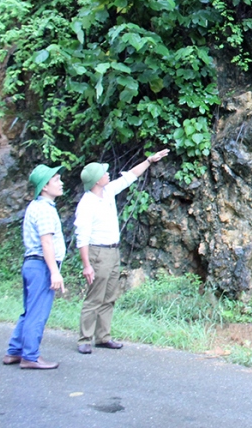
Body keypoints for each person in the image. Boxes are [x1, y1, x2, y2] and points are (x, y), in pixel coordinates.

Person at [74, 148, 169, 355]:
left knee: (109, 296)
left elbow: (130, 176)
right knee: (95, 297)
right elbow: (81, 237)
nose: (109, 174)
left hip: (113, 251)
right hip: (98, 252)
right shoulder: (87, 203)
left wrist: (149, 161)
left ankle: (103, 336)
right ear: (97, 180)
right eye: (104, 173)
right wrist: (86, 265)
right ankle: (84, 338)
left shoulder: (107, 192)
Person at [4, 164, 67, 370]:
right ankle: (30, 356)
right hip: (41, 265)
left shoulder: (34, 206)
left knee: (29, 311)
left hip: (31, 264)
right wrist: (54, 272)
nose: (61, 183)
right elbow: (46, 242)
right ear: (45, 187)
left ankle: (14, 351)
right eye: (56, 180)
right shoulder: (44, 209)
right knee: (38, 312)